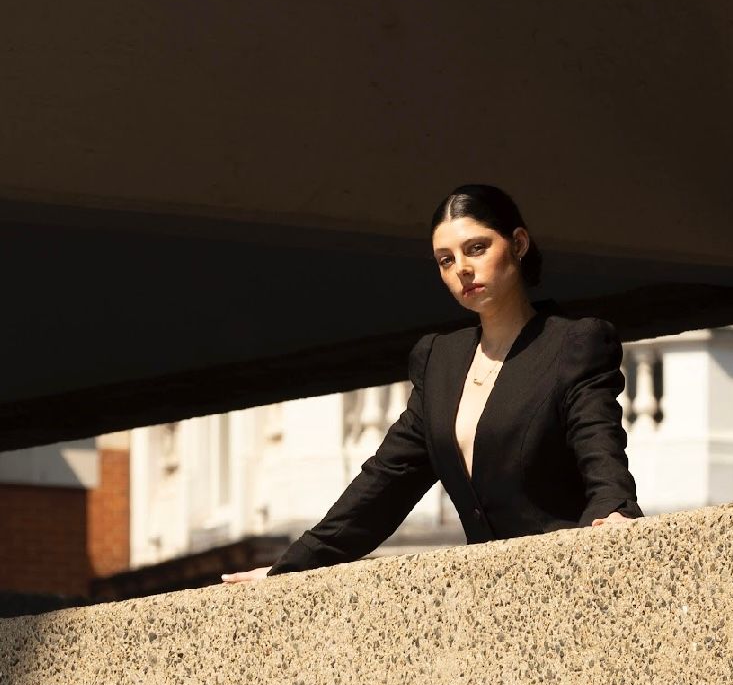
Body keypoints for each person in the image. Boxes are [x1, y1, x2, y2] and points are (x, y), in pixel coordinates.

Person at [221, 183, 643, 583]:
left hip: (566, 577)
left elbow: (600, 448)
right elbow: (385, 483)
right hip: (487, 593)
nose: (462, 268)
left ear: (517, 244)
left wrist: (614, 510)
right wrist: (288, 569)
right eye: (446, 259)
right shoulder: (440, 359)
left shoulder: (573, 342)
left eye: (477, 248)